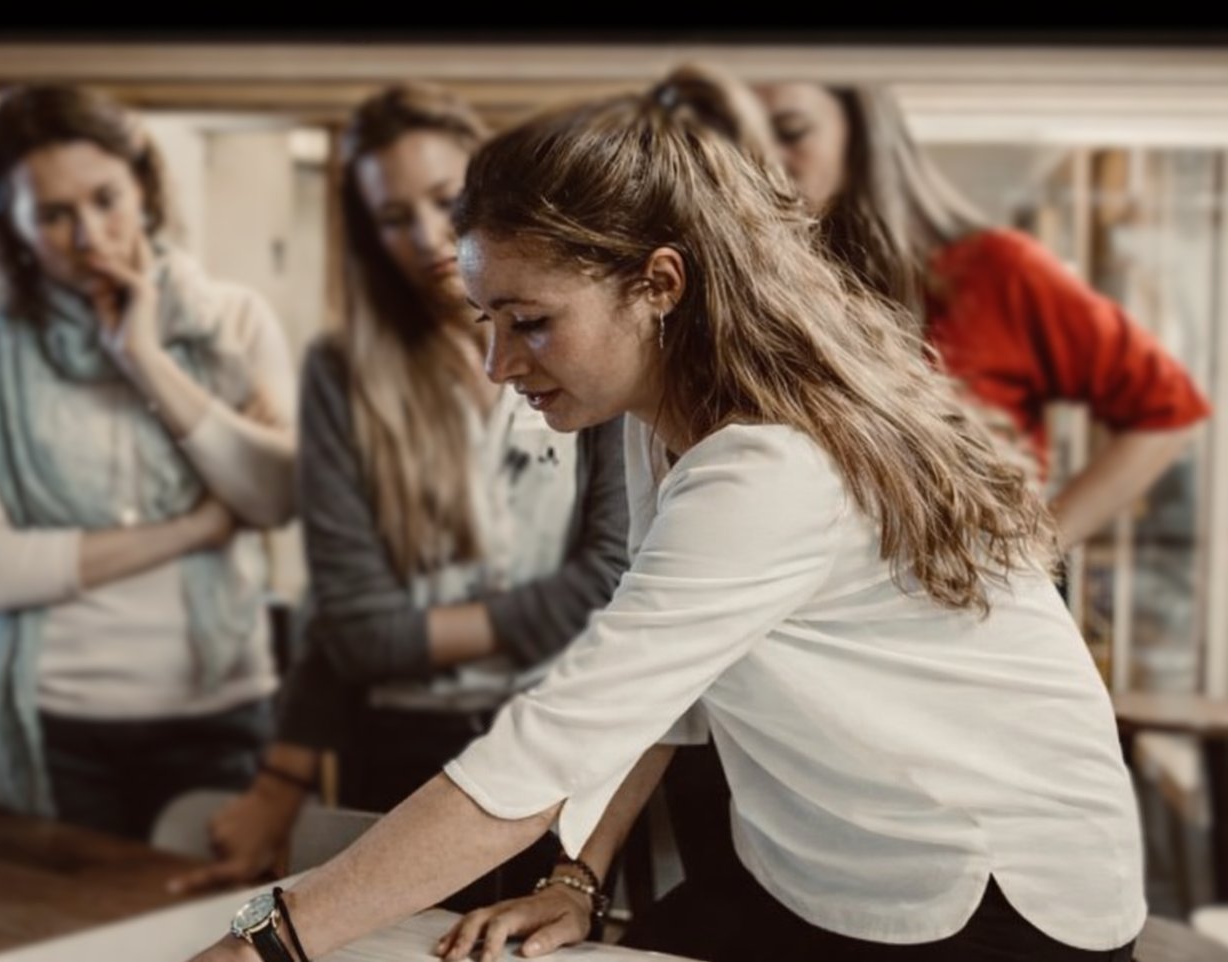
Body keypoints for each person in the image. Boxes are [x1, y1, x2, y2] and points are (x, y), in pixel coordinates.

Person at [183, 81, 1144, 962]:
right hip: (831, 859)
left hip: (991, 895)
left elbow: (554, 745)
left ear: (661, 286)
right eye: (486, 320)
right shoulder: (665, 425)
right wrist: (577, 876)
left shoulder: (768, 465)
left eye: (531, 321)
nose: (500, 365)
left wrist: (266, 943)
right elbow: (667, 688)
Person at [166, 81, 629, 913]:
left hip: (555, 739)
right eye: (390, 216)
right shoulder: (345, 375)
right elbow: (349, 625)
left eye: (444, 199)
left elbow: (607, 579)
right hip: (400, 749)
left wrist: (400, 634)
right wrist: (508, 618)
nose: (424, 236)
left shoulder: (582, 350)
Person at [0, 84, 297, 840]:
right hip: (49, 718)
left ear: (144, 187)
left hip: (219, 709)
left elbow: (274, 498)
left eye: (106, 199)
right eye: (53, 215)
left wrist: (142, 356)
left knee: (210, 946)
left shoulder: (231, 323)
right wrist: (199, 527)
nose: (89, 237)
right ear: (13, 223)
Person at [751, 82, 1210, 548]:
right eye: (737, 134)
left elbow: (1167, 410)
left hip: (967, 603)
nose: (762, 156)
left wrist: (1038, 549)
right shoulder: (757, 294)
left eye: (791, 131)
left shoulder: (996, 271)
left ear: (860, 134)